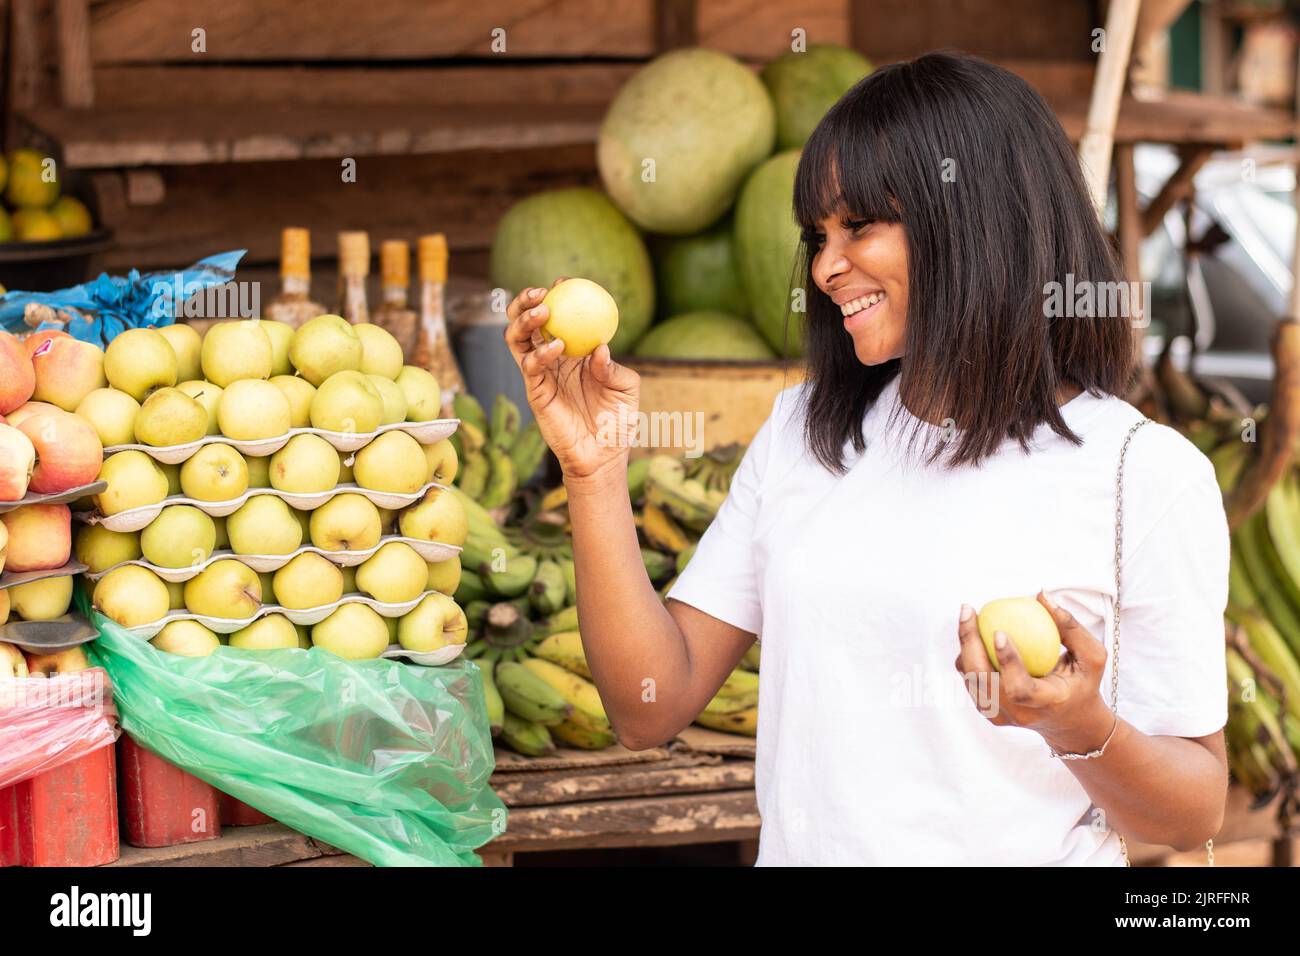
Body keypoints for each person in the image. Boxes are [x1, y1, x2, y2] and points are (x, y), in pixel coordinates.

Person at [502, 52, 1229, 866]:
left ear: (976, 218)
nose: (823, 267)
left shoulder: (1142, 473)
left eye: (858, 226)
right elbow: (648, 707)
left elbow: (1193, 812)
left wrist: (1077, 725)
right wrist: (595, 473)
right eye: (817, 235)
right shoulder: (803, 433)